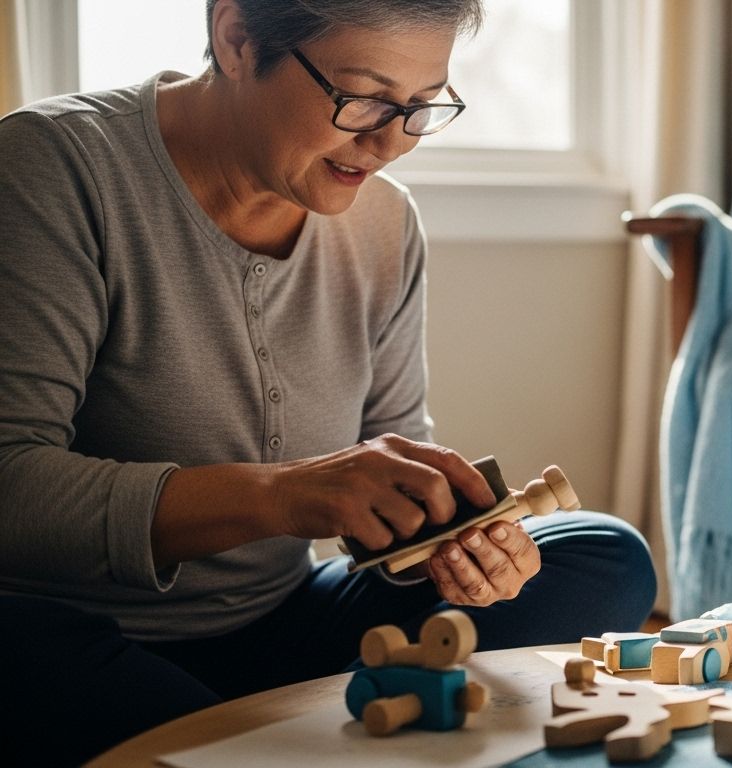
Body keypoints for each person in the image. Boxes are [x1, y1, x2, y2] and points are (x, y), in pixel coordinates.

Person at [0, 1, 654, 763]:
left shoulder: (384, 223)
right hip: (79, 636)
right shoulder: (52, 168)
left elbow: (391, 466)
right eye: (364, 97)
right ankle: (325, 732)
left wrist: (450, 548)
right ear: (237, 38)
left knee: (602, 553)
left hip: (281, 622)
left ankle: (282, 737)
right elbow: (11, 485)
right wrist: (283, 494)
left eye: (419, 107)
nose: (388, 142)